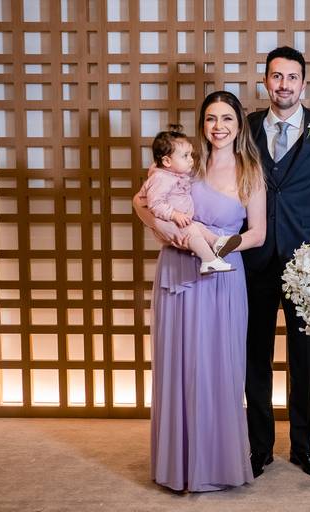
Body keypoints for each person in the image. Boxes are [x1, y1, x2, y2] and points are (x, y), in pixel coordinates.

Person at [133, 91, 266, 491]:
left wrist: (221, 246)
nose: (218, 126)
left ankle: (216, 466)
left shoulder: (250, 171)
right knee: (178, 367)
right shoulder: (183, 163)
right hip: (177, 274)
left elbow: (257, 235)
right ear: (202, 124)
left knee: (219, 370)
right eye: (211, 118)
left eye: (227, 118)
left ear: (239, 125)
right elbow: (140, 202)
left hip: (223, 277)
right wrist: (166, 230)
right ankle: (177, 467)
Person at [243, 46, 310, 479]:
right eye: (276, 76)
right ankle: (259, 447)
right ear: (265, 80)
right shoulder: (245, 127)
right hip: (255, 260)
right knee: (255, 356)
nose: (283, 85)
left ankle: (303, 448)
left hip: (305, 262)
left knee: (305, 360)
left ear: (304, 83)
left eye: (292, 77)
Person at [140, 124, 241, 274]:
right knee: (193, 232)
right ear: (167, 161)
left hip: (182, 221)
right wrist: (174, 214)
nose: (191, 160)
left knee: (199, 227)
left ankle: (216, 242)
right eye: (185, 156)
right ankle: (209, 260)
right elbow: (155, 203)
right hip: (170, 222)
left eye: (190, 155)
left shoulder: (176, 174)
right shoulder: (160, 178)